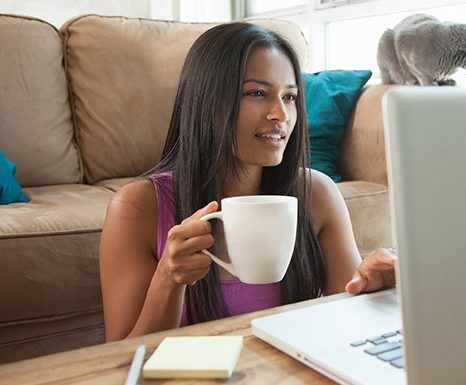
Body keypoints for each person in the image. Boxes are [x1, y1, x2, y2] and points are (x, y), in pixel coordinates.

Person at [99, 22, 396, 341]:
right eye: (257, 93)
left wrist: (376, 287)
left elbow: (349, 321)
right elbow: (121, 357)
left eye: (290, 96)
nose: (280, 114)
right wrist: (169, 280)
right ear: (208, 100)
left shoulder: (318, 194)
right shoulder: (137, 207)